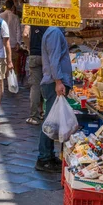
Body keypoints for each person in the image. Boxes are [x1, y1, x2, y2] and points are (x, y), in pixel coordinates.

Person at [35, 26, 73, 173]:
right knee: (50, 122)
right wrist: (58, 81)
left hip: (54, 82)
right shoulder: (54, 32)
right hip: (53, 83)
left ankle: (49, 155)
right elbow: (54, 58)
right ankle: (44, 157)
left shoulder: (54, 32)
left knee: (53, 120)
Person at [23, 24, 48, 125]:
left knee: (35, 86)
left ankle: (34, 116)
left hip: (34, 54)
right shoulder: (49, 17)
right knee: (48, 84)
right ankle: (45, 112)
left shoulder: (31, 17)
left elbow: (25, 34)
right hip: (47, 55)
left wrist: (29, 48)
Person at [0, 0, 22, 75]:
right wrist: (18, 42)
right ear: (12, 7)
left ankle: (5, 81)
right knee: (13, 65)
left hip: (2, 44)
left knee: (3, 64)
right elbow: (18, 31)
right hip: (13, 44)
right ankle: (12, 82)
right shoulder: (15, 17)